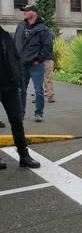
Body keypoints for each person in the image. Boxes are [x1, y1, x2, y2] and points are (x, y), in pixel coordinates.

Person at [0, 26, 41, 169]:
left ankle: (24, 156)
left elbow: (16, 58)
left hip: (9, 85)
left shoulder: (5, 35)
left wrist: (20, 81)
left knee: (17, 121)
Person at [14, 4, 53, 123]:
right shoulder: (21, 26)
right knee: (21, 90)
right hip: (22, 63)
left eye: (27, 10)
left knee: (39, 90)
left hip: (36, 64)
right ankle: (21, 114)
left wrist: (39, 60)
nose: (24, 12)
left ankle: (39, 113)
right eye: (24, 10)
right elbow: (15, 41)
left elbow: (48, 46)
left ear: (34, 13)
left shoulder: (43, 29)